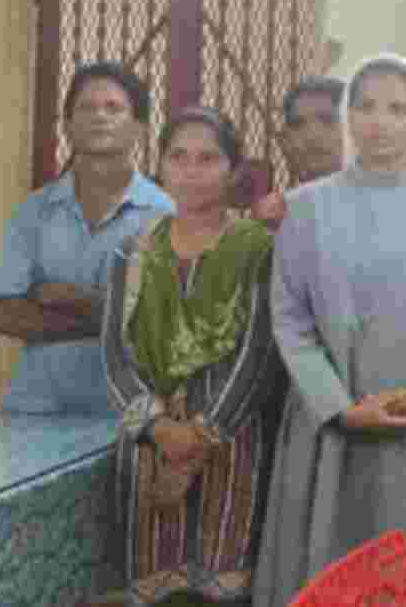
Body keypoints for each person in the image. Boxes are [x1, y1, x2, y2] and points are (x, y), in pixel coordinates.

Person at [253, 54, 406, 607]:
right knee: (331, 565)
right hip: (330, 428)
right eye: (366, 106)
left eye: (398, 108)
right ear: (349, 115)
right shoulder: (304, 209)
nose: (380, 122)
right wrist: (339, 407)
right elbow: (290, 319)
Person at [97, 107, 279, 606]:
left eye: (207, 158)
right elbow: (114, 354)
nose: (191, 171)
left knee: (218, 587)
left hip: (230, 442)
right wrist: (160, 430)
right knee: (153, 584)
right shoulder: (132, 253)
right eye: (178, 157)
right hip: (150, 444)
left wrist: (201, 435)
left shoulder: (257, 248)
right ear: (159, 166)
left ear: (233, 170)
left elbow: (258, 354)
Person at [0, 61, 173, 415]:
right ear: (68, 126)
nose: (100, 116)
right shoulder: (34, 211)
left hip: (130, 415)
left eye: (114, 108)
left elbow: (164, 323)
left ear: (138, 128)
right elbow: (3, 315)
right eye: (87, 107)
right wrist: (116, 317)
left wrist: (70, 298)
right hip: (34, 411)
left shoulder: (165, 214)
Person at [250, 76, 346, 229]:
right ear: (286, 140)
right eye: (298, 124)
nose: (312, 135)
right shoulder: (276, 218)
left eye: (328, 120)